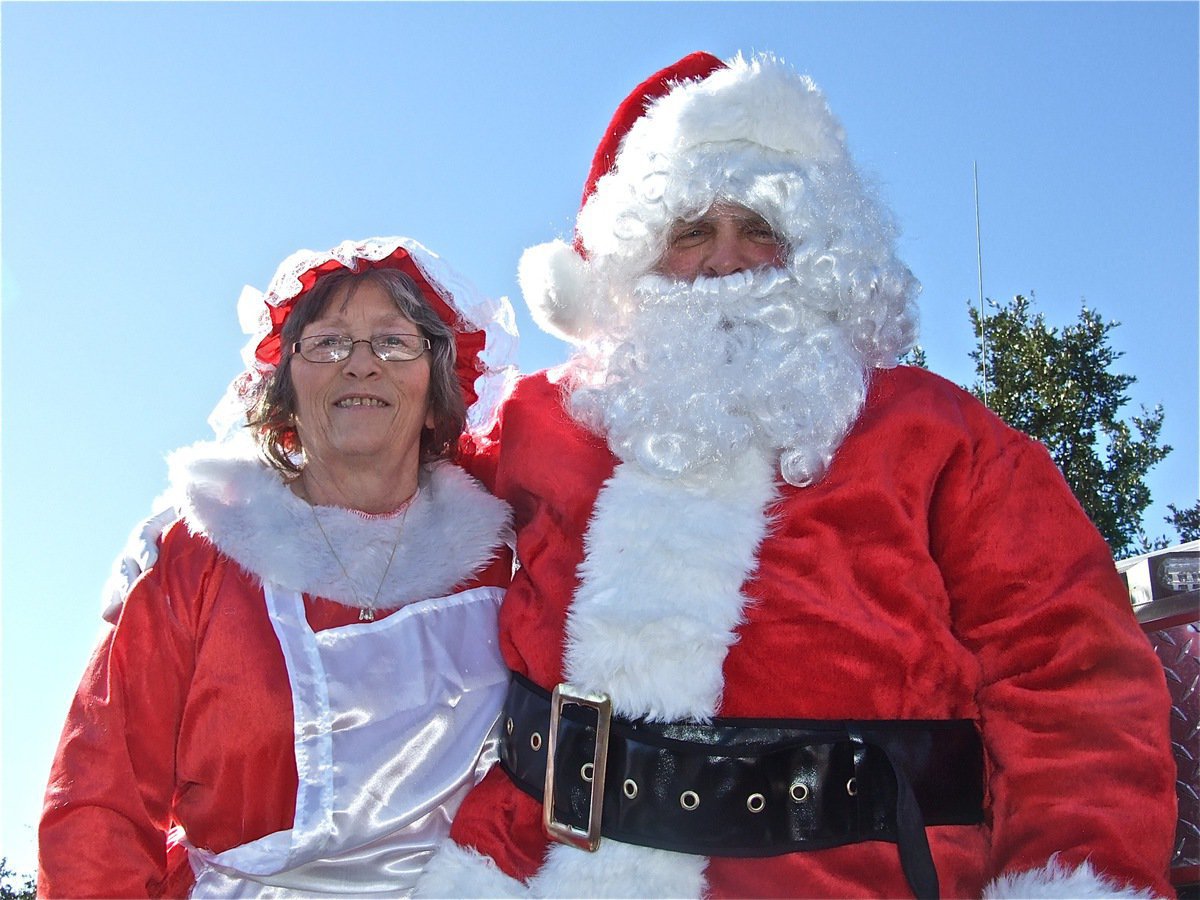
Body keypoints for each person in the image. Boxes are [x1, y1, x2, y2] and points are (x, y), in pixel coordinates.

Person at [414, 52, 1179, 898]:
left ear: (823, 253)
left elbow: (1072, 678)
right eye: (691, 232)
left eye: (762, 228)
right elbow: (382, 519)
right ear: (631, 262)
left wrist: (1067, 877)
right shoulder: (538, 422)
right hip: (525, 871)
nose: (728, 261)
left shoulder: (941, 433)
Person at [38, 237, 518, 897]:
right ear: (284, 389)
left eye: (393, 343)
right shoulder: (196, 556)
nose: (360, 365)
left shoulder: (506, 560)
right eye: (326, 343)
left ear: (438, 389)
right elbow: (99, 800)